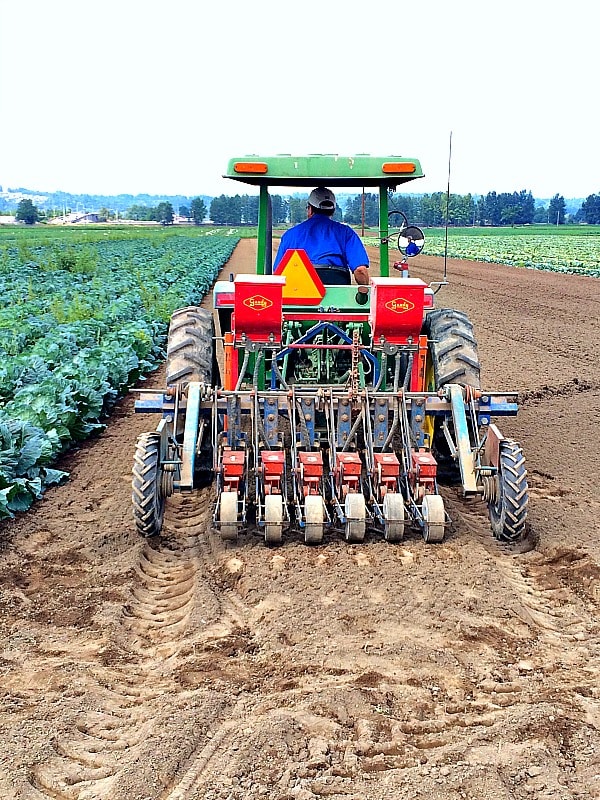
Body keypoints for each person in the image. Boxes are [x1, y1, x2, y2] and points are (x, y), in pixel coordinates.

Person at [273, 187, 369, 287]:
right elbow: (360, 270)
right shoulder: (346, 232)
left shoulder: (290, 234)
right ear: (332, 211)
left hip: (300, 290)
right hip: (337, 287)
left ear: (310, 209)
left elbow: (278, 270)